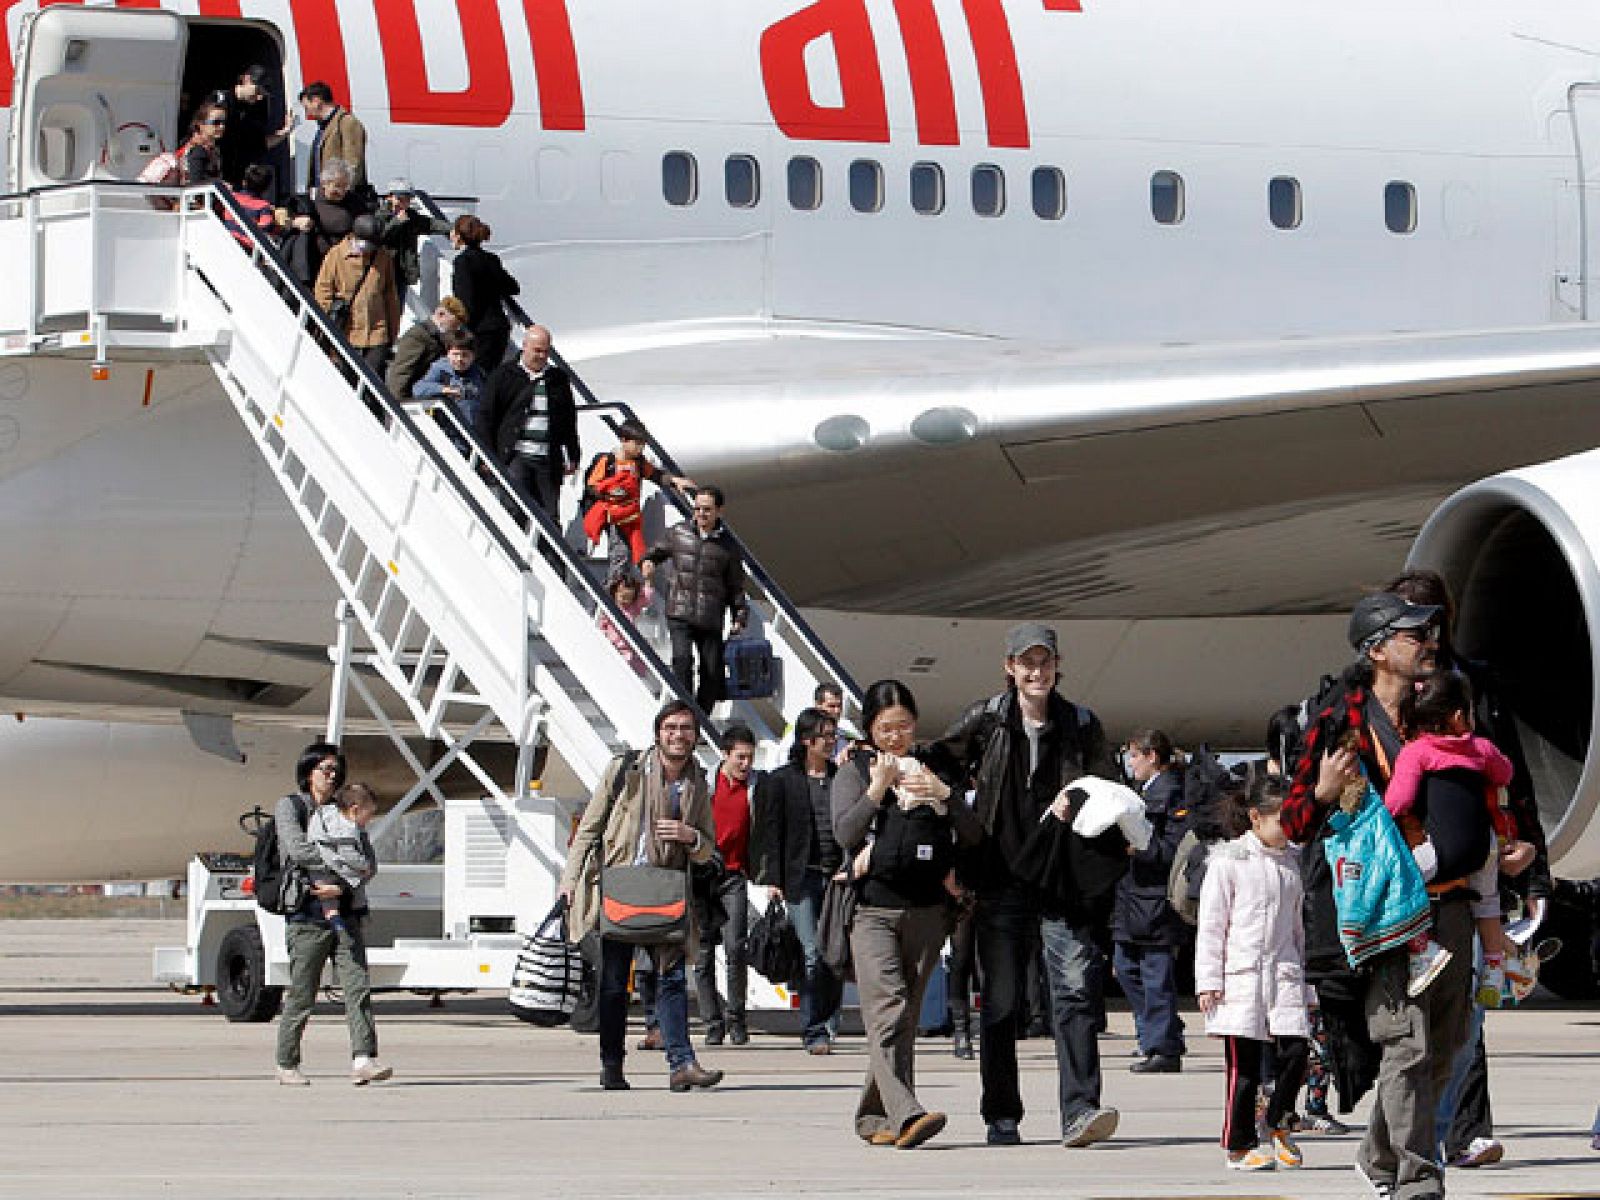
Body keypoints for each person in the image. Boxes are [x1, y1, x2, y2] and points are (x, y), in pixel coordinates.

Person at [1280, 591, 1472, 1200]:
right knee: (1406, 1042)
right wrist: (1326, 791)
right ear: (1379, 649)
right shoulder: (1338, 720)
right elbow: (1292, 823)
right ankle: (1416, 1175)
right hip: (1385, 914)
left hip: (1446, 900)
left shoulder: (1435, 711)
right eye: (1415, 636)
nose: (1429, 645)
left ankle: (1377, 1154)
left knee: (1446, 1044)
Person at [928, 622, 1125, 1149]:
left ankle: (1080, 1111)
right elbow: (938, 767)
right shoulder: (986, 720)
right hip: (999, 880)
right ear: (1010, 668)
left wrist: (1077, 798)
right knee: (1001, 1001)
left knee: (1075, 995)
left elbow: (1112, 790)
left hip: (1061, 881)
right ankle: (1002, 1115)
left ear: (1058, 666)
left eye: (1045, 662)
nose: (1037, 672)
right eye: (1026, 663)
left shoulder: (1081, 724)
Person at [1386, 568, 1548, 1171]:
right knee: (1406, 1024)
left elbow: (1512, 775)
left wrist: (1529, 854)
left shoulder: (1470, 692)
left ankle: (1461, 1131)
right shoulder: (1365, 695)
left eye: (1422, 620)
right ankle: (1397, 1139)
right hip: (1406, 873)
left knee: (1464, 1014)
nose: (1414, 633)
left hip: (1469, 864)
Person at [831, 679, 981, 1149]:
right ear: (870, 728)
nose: (896, 737)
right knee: (888, 1012)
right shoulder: (855, 770)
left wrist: (944, 793)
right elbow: (843, 832)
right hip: (873, 911)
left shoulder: (933, 768)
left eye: (904, 726)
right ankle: (907, 1112)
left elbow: (973, 834)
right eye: (886, 728)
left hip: (928, 912)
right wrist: (876, 789)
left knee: (904, 1018)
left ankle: (874, 1114)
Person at [557, 701, 725, 1093]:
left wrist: (690, 837)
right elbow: (589, 830)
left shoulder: (699, 782)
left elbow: (708, 848)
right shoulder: (625, 772)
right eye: (671, 727)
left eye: (686, 728)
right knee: (615, 984)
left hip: (667, 889)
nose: (679, 735)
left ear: (696, 736)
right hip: (621, 887)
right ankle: (611, 1064)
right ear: (657, 734)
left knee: (672, 978)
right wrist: (569, 881)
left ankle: (682, 1064)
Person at [1195, 773, 1310, 1173]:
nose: (1287, 828)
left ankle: (1279, 1120)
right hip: (1240, 978)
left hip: (1284, 974)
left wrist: (1305, 981)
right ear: (1256, 818)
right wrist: (1208, 980)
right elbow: (1212, 926)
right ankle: (1238, 1144)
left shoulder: (1292, 864)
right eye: (1281, 819)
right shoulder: (1229, 862)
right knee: (1242, 1069)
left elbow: (1298, 929)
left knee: (1297, 1051)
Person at [273, 742, 391, 1086]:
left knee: (357, 986)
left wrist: (342, 884)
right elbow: (299, 850)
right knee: (302, 992)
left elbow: (368, 862)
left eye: (336, 770)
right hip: (306, 915)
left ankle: (364, 1059)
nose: (332, 775)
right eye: (325, 769)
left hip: (348, 911)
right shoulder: (292, 807)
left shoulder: (349, 813)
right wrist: (343, 872)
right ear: (308, 772)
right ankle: (286, 1062)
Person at [750, 707, 843, 1052]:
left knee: (834, 954)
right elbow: (770, 832)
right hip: (799, 877)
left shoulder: (840, 778)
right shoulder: (782, 781)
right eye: (826, 736)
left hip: (836, 878)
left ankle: (827, 1018)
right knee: (811, 952)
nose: (832, 742)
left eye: (834, 736)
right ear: (807, 741)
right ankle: (814, 1028)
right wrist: (772, 877)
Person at [1111, 729, 1191, 1074]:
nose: (1131, 764)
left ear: (1151, 757)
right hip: (1134, 898)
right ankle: (1161, 1032)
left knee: (1154, 975)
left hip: (1154, 899)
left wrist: (1138, 847)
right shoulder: (1141, 793)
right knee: (1126, 968)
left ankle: (1162, 1047)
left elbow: (1171, 850)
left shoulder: (1171, 795)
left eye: (1135, 756)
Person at [641, 486, 748, 712]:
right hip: (680, 610)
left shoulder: (729, 547)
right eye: (697, 508)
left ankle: (701, 719)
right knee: (682, 660)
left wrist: (739, 615)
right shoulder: (678, 533)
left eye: (707, 509)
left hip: (710, 615)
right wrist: (648, 562)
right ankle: (685, 710)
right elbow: (655, 552)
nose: (701, 514)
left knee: (710, 671)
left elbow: (735, 586)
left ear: (720, 511)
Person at [477, 325, 580, 543]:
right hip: (516, 455)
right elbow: (486, 416)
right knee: (515, 509)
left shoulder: (558, 380)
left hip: (547, 458)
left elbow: (568, 419)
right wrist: (488, 454)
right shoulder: (503, 375)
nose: (541, 356)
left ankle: (553, 567)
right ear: (524, 346)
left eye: (545, 351)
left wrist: (573, 454)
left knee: (550, 517)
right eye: (537, 350)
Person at [695, 723, 757, 1047]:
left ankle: (737, 1019)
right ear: (725, 755)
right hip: (706, 877)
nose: (746, 765)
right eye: (740, 758)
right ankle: (712, 1022)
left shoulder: (755, 787)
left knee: (736, 948)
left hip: (735, 876)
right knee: (704, 952)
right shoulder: (706, 784)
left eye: (750, 758)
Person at [581, 420, 695, 579]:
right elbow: (592, 485)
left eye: (643, 445)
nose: (640, 449)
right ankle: (615, 588)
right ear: (623, 440)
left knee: (634, 552)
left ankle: (621, 586)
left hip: (631, 515)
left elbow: (656, 475)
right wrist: (610, 493)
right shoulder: (609, 461)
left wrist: (675, 481)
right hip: (614, 515)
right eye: (637, 444)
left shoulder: (639, 462)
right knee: (621, 554)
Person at [314, 213, 400, 375]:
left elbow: (391, 296)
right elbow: (323, 290)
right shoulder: (336, 255)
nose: (369, 248)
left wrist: (393, 331)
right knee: (347, 378)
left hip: (377, 331)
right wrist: (328, 320)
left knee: (371, 380)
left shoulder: (383, 257)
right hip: (346, 329)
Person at [278, 158, 372, 287]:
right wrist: (296, 222)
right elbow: (281, 220)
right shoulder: (308, 201)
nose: (342, 191)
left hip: (343, 265)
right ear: (324, 183)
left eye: (346, 186)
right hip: (314, 265)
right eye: (337, 186)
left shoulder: (355, 202)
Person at [305, 781, 378, 936]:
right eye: (369, 815)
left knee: (327, 899)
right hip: (332, 865)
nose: (369, 820)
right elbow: (348, 853)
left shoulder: (328, 816)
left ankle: (334, 917)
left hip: (320, 869)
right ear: (355, 810)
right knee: (355, 885)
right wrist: (363, 865)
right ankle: (358, 912)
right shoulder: (346, 829)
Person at [451, 215, 520, 372]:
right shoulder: (491, 259)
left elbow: (466, 301)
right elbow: (513, 287)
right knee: (491, 374)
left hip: (480, 330)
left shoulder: (463, 262)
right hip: (499, 327)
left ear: (458, 236)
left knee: (479, 376)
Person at [210, 64, 293, 189]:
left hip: (236, 181)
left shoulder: (252, 111)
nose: (259, 98)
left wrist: (285, 132)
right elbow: (205, 136)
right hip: (215, 178)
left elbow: (259, 144)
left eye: (262, 95)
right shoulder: (220, 100)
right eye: (258, 91)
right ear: (246, 79)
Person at [378, 178, 451, 302]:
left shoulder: (412, 217)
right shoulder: (380, 216)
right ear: (390, 197)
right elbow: (380, 237)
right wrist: (396, 222)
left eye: (407, 200)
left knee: (398, 310)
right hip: (384, 272)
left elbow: (430, 224)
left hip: (402, 273)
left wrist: (454, 228)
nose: (403, 203)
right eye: (400, 199)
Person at [387, 297, 467, 401]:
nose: (455, 329)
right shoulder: (418, 336)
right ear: (441, 315)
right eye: (454, 325)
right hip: (408, 398)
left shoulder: (437, 337)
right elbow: (401, 371)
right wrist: (398, 404)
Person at [413, 329, 487, 436]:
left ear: (473, 357)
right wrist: (444, 389)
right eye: (455, 354)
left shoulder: (480, 375)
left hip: (469, 431)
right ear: (448, 354)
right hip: (444, 429)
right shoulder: (440, 369)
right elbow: (418, 389)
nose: (459, 359)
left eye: (465, 355)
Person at [300, 81, 367, 190]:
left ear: (317, 101)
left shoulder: (346, 122)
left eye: (307, 107)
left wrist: (340, 191)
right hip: (322, 193)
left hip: (338, 196)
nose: (307, 113)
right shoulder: (323, 127)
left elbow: (353, 163)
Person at [597, 570, 659, 678]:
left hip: (628, 647)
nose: (625, 601)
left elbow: (647, 596)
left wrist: (648, 579)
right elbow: (601, 626)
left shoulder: (633, 608)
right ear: (615, 592)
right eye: (622, 596)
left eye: (628, 598)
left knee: (634, 665)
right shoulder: (608, 607)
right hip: (612, 646)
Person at [226, 164, 281, 249]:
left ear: (244, 182)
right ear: (266, 188)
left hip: (228, 240)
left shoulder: (229, 198)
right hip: (247, 247)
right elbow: (265, 226)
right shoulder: (263, 206)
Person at [178, 101, 227, 185]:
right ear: (201, 125)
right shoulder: (198, 150)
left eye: (223, 122)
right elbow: (195, 182)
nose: (222, 126)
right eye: (216, 122)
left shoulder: (210, 149)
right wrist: (220, 184)